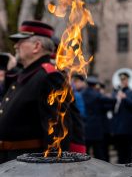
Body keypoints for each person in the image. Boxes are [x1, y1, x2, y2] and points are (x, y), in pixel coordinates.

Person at [0, 20, 85, 163]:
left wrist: (53, 167)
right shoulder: (27, 76)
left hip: (28, 165)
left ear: (37, 46)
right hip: (12, 161)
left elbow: (58, 133)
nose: (16, 45)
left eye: (20, 41)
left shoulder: (49, 77)